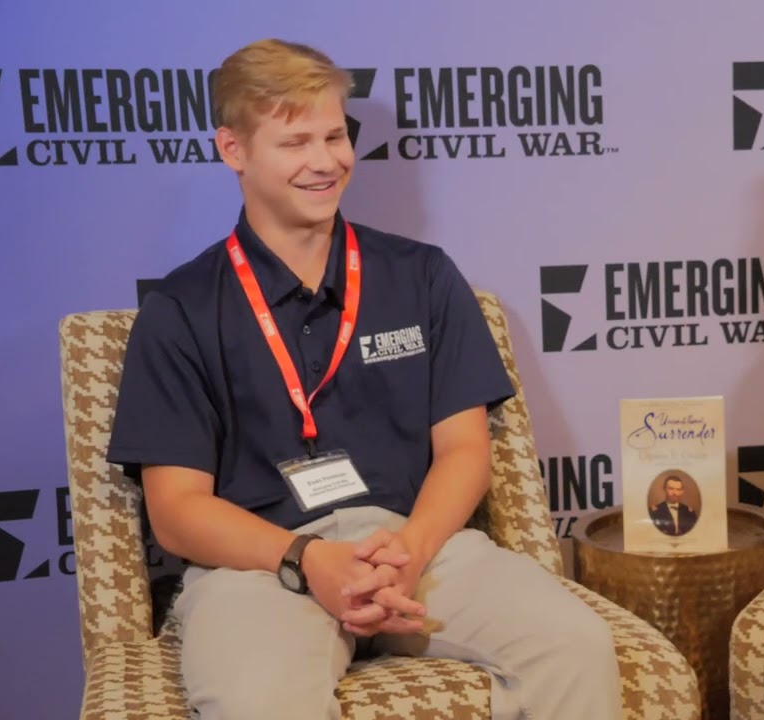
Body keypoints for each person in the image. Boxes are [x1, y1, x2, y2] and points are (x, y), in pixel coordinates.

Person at [107, 39, 620, 720]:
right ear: (233, 150)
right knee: (256, 702)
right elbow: (176, 511)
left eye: (334, 135)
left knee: (574, 644)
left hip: (415, 546)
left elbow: (465, 450)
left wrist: (409, 549)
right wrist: (309, 559)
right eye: (295, 143)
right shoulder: (181, 309)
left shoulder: (423, 276)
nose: (325, 161)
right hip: (261, 566)